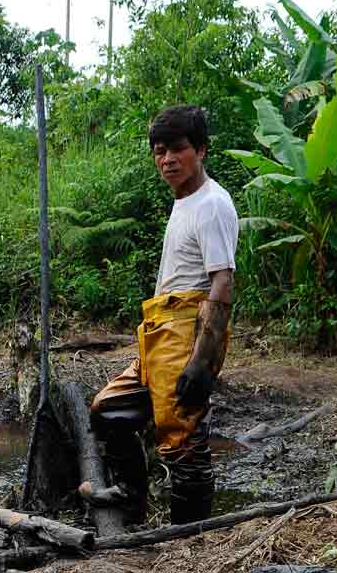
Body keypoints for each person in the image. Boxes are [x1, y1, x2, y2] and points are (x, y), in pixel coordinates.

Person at [91, 104, 238, 525]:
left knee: (183, 441)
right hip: (159, 331)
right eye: (160, 151)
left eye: (178, 149)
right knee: (108, 410)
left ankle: (187, 539)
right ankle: (131, 497)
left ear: (201, 150)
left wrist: (201, 361)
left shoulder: (212, 204)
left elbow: (222, 282)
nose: (168, 159)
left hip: (186, 333)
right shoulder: (185, 201)